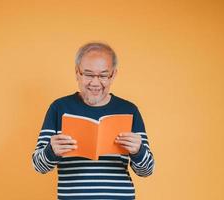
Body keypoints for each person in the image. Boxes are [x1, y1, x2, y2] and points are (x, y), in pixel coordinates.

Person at [32, 42, 155, 199]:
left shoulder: (129, 110)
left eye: (103, 75)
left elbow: (146, 171)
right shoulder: (59, 108)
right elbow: (39, 167)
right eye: (88, 74)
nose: (95, 83)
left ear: (113, 75)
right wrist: (51, 151)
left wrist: (138, 151)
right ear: (78, 73)